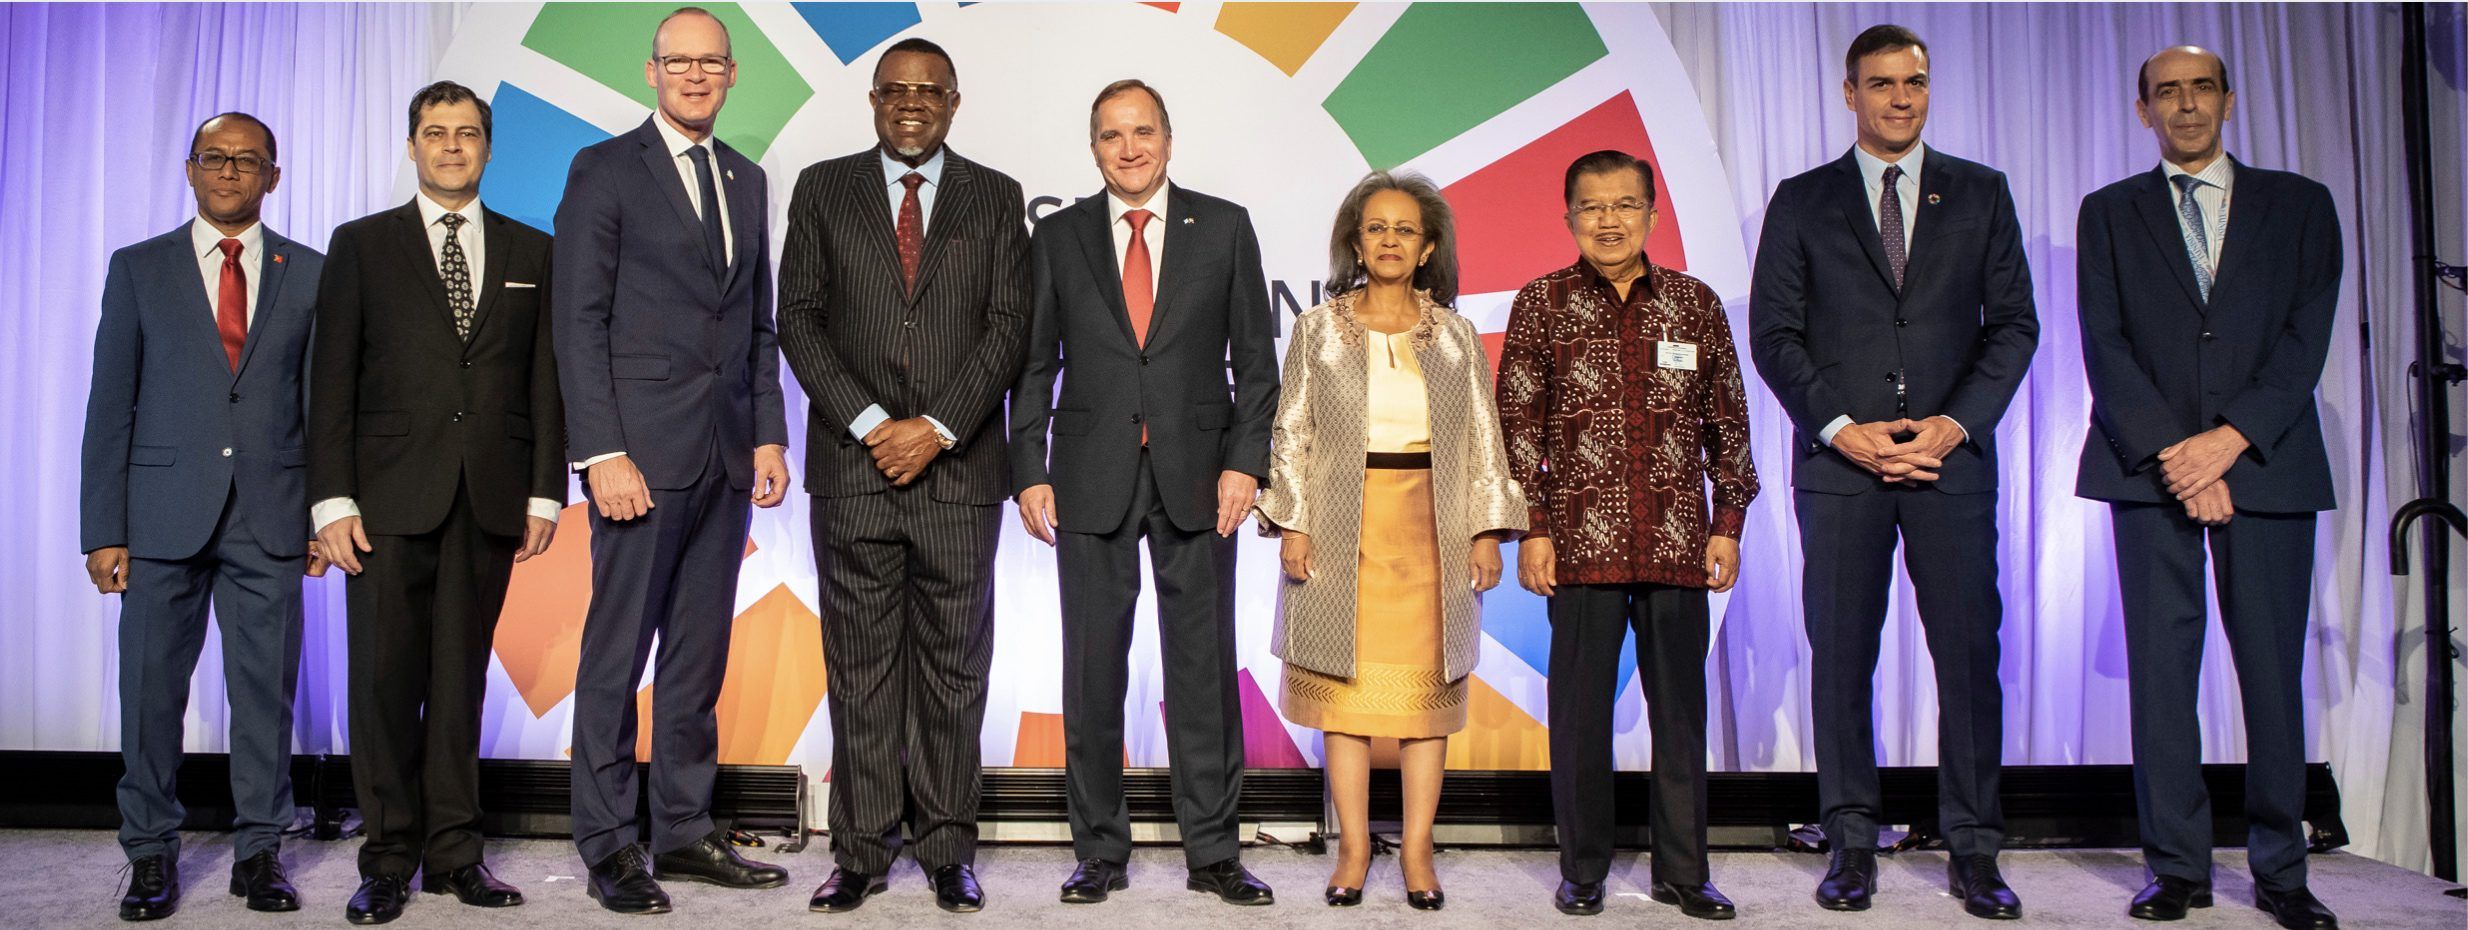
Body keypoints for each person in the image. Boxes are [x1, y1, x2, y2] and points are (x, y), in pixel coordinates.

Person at [1748, 24, 2038, 920]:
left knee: (1968, 658)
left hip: (1949, 467)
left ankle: (1976, 848)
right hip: (1843, 469)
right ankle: (1849, 840)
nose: (1900, 98)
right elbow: (1774, 334)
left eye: (1914, 82)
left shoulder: (1982, 193)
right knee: (1841, 659)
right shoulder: (1802, 199)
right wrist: (1842, 428)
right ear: (1850, 94)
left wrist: (1952, 425)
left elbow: (2014, 325)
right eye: (1881, 84)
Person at [2075, 46, 2343, 930]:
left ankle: (2281, 868)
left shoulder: (2302, 205)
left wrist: (2226, 445)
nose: (2185, 107)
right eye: (2166, 93)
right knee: (2162, 678)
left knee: (2270, 674)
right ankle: (2177, 869)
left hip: (2265, 463)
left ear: (2228, 99)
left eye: (2200, 90)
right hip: (2147, 472)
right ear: (2141, 107)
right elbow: (2104, 345)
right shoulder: (2108, 213)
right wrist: (2176, 459)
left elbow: (2305, 341)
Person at [1009, 78, 1281, 907]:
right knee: (1091, 673)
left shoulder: (1225, 226)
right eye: (1111, 136)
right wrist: (1029, 468)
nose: (1129, 149)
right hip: (1088, 475)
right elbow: (1033, 365)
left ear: (1169, 137)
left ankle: (1215, 852)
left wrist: (1247, 463)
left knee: (1202, 672)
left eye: (1143, 132)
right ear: (1092, 147)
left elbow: (1256, 367)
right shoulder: (1056, 236)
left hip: (1202, 479)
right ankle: (1099, 850)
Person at [777, 37, 1029, 915]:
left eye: (929, 90)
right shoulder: (822, 187)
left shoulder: (996, 197)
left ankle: (948, 846)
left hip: (959, 478)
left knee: (957, 670)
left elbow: (1008, 326)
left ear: (954, 101)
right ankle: (859, 850)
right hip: (854, 473)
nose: (911, 103)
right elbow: (799, 320)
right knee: (860, 668)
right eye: (895, 90)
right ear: (874, 100)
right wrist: (876, 424)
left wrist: (940, 427)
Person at [552, 6, 792, 915]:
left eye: (711, 63)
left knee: (697, 658)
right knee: (616, 659)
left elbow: (755, 323)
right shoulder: (605, 169)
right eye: (677, 62)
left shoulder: (748, 178)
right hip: (638, 463)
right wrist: (601, 452)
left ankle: (684, 831)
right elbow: (578, 322)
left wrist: (768, 432)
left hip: (726, 459)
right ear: (651, 73)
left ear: (732, 76)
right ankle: (609, 843)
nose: (695, 76)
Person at [308, 80, 560, 924]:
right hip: (382, 500)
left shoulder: (533, 250)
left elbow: (544, 383)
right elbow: (331, 381)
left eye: (467, 133)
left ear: (489, 147)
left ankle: (455, 854)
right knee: (383, 683)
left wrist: (544, 493)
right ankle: (386, 859)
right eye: (434, 133)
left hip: (488, 494)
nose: (451, 146)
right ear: (411, 146)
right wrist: (331, 500)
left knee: (460, 685)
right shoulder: (361, 246)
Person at [1254, 170, 1526, 912]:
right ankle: (1350, 847)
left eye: (1405, 229)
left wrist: (1485, 531)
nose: (1390, 241)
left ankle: (1415, 849)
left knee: (1424, 703)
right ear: (1355, 240)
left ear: (1429, 245)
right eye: (1377, 227)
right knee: (1342, 700)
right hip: (1341, 526)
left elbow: (1482, 439)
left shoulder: (1456, 336)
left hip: (1431, 530)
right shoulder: (1318, 330)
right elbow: (1292, 433)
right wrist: (1296, 522)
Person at [81, 111, 327, 922]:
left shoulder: (311, 272)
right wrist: (103, 528)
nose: (230, 171)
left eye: (247, 160)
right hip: (158, 520)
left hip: (273, 515)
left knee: (266, 694)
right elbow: (110, 405)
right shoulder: (139, 268)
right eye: (215, 158)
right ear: (190, 170)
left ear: (273, 177)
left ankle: (260, 852)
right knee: (151, 692)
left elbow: (322, 408)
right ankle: (149, 853)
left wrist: (325, 513)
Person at [1498, 150, 1756, 920]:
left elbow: (1729, 424)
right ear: (1569, 216)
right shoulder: (1541, 304)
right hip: (1578, 548)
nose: (1608, 220)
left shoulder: (1694, 304)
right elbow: (1518, 428)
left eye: (1624, 205)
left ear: (1651, 212)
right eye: (1591, 207)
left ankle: (1685, 871)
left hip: (1679, 543)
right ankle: (1582, 868)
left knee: (1681, 713)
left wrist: (1729, 524)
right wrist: (1533, 528)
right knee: (1578, 715)